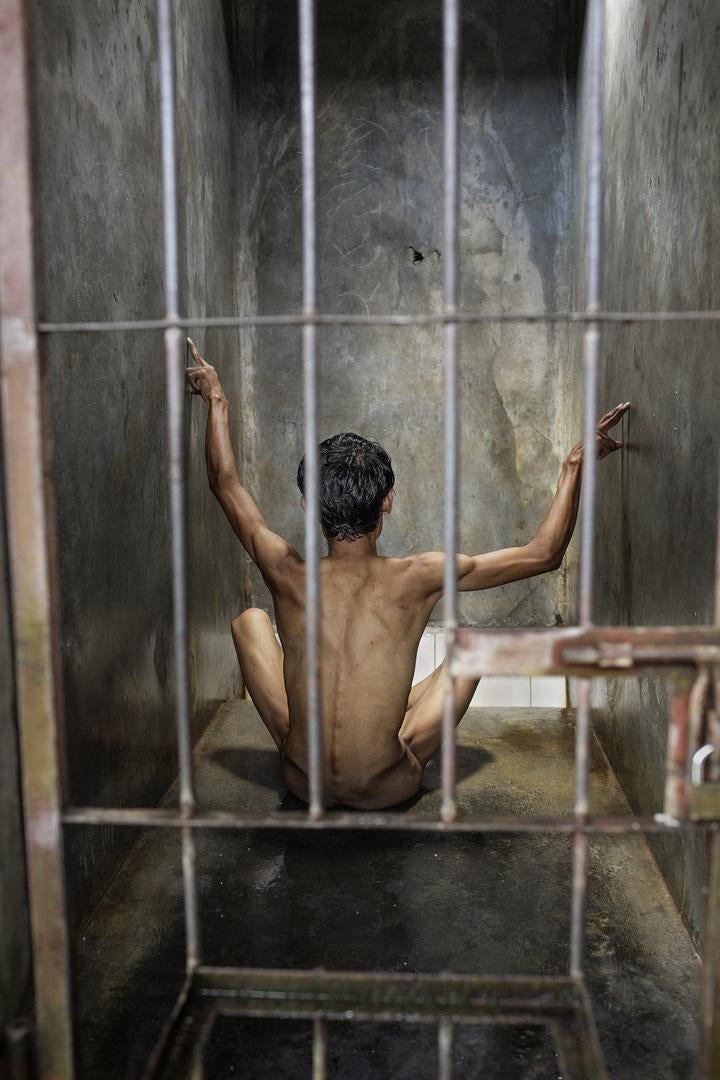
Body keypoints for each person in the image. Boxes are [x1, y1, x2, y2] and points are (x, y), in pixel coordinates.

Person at [186, 338, 628, 810]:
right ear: (388, 501)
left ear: (307, 504)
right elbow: (544, 554)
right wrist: (574, 467)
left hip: (301, 780)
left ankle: (347, 737)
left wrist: (216, 397)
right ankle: (379, 733)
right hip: (385, 789)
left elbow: (224, 483)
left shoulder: (284, 570)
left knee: (249, 622)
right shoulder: (421, 574)